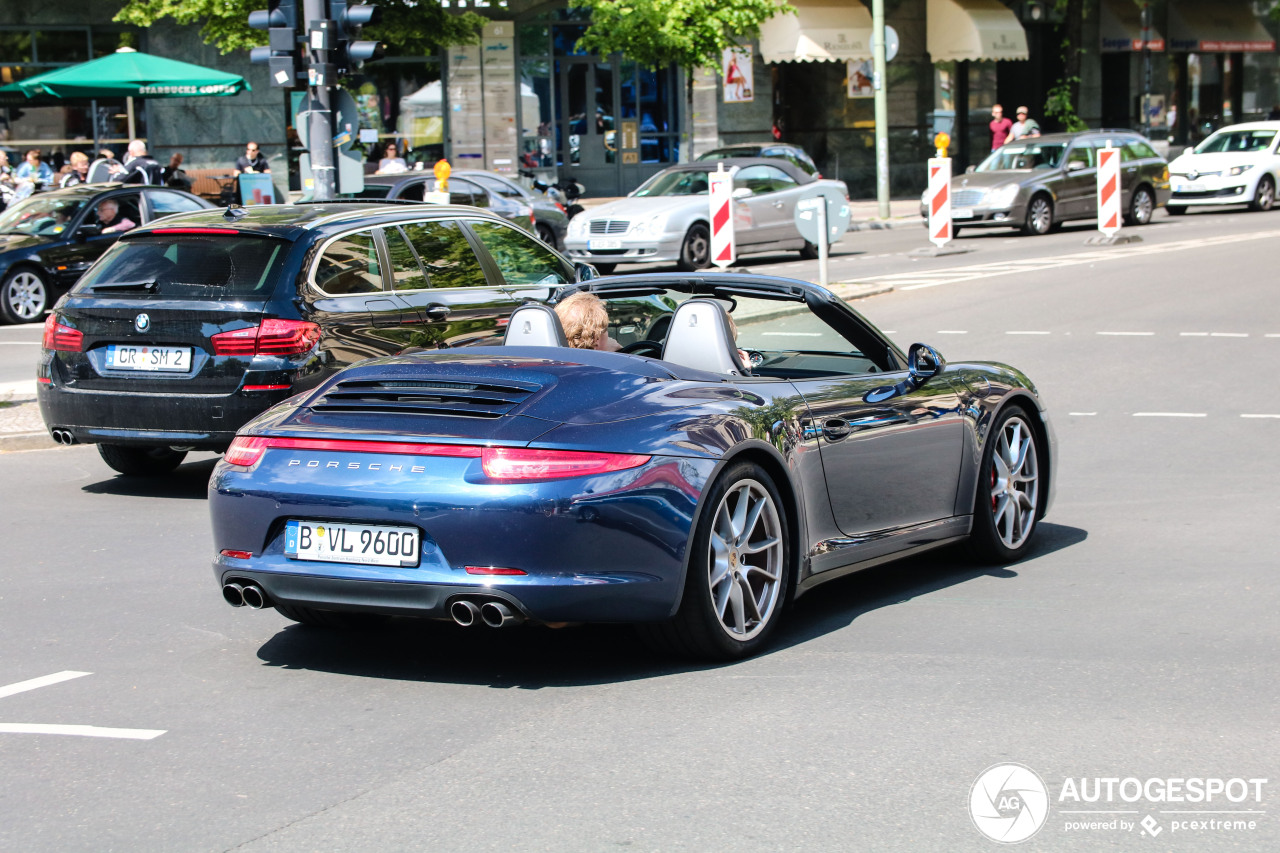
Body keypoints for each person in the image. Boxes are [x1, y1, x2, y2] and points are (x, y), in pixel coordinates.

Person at [554, 292, 621, 351]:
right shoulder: (601, 363)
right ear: (596, 339)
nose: (609, 338)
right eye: (605, 330)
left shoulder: (551, 358)